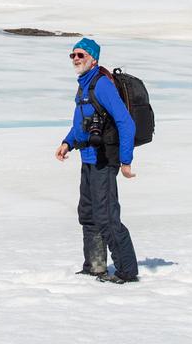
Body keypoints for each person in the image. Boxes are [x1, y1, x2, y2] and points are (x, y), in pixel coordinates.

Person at [55, 38, 139, 284]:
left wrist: (126, 161)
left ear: (94, 59)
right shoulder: (84, 85)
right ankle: (95, 265)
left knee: (107, 217)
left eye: (80, 55)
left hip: (104, 160)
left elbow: (125, 122)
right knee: (89, 213)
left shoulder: (101, 85)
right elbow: (80, 123)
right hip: (88, 159)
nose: (76, 59)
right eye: (73, 55)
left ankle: (127, 271)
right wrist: (67, 142)